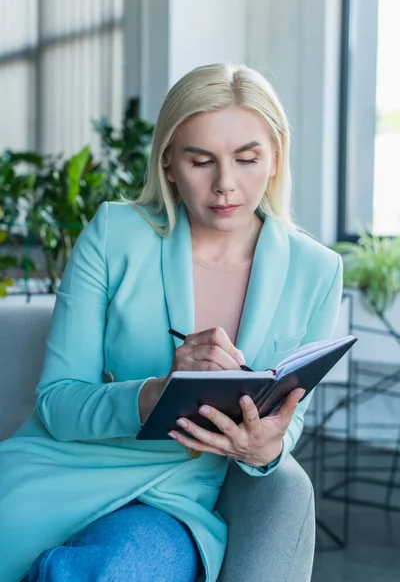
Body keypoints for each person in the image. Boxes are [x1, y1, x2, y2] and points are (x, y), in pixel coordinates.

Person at [0, 63, 343, 582]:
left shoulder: (317, 269)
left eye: (247, 159)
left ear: (275, 158)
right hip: (58, 471)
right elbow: (57, 402)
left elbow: (287, 421)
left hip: (174, 501)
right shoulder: (115, 234)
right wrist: (154, 393)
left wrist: (266, 447)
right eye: (201, 160)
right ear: (168, 165)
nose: (226, 185)